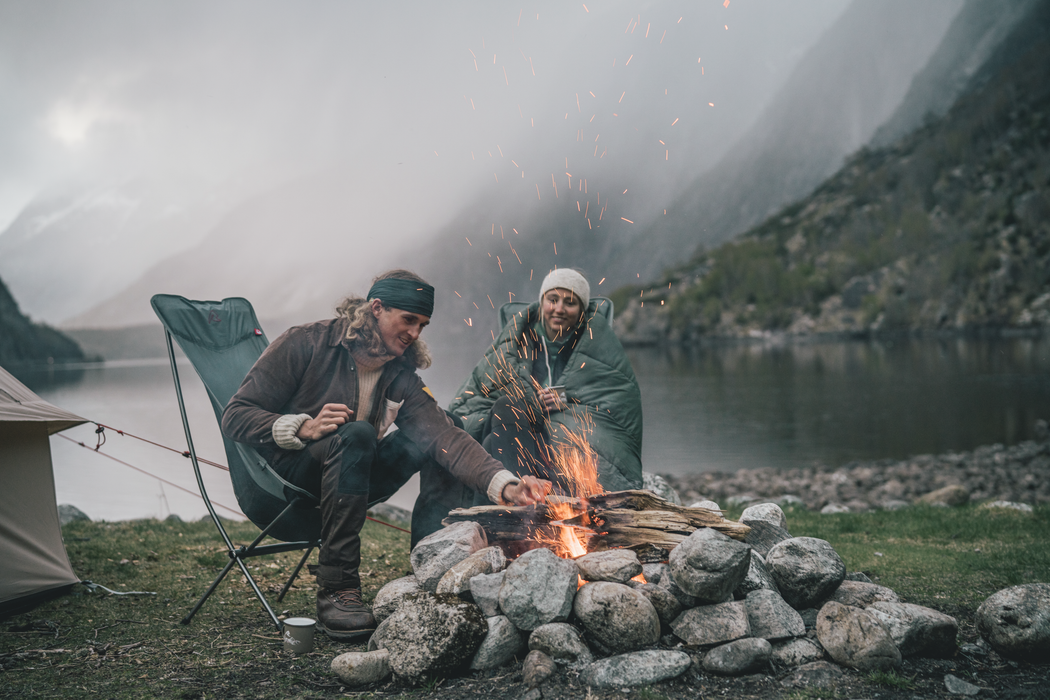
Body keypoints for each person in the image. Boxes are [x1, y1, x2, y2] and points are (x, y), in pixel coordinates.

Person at [221, 269, 550, 641]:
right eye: (408, 320)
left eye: (422, 325)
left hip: (352, 475)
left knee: (443, 427)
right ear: (376, 308)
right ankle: (337, 590)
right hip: (286, 482)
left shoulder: (399, 374)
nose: (415, 333)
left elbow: (446, 438)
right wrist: (303, 427)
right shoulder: (305, 343)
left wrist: (506, 486)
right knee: (358, 435)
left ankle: (432, 568)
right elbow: (236, 415)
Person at [448, 268, 643, 499]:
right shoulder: (514, 344)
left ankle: (520, 505)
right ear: (542, 303)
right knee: (505, 409)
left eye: (570, 302)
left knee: (493, 443)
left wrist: (563, 400)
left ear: (582, 310)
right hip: (517, 432)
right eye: (553, 300)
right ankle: (528, 498)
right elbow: (475, 399)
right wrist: (531, 404)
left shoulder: (597, 346)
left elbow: (615, 407)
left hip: (560, 445)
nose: (559, 309)